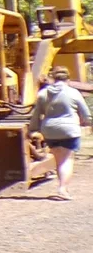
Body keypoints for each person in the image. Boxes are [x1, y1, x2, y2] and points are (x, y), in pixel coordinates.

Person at [28, 68, 92, 200]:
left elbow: (36, 115)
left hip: (49, 130)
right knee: (67, 159)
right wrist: (89, 122)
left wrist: (32, 130)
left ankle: (61, 186)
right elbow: (86, 114)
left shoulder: (43, 93)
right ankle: (63, 189)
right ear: (68, 79)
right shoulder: (73, 93)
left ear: (53, 79)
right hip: (69, 130)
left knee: (58, 159)